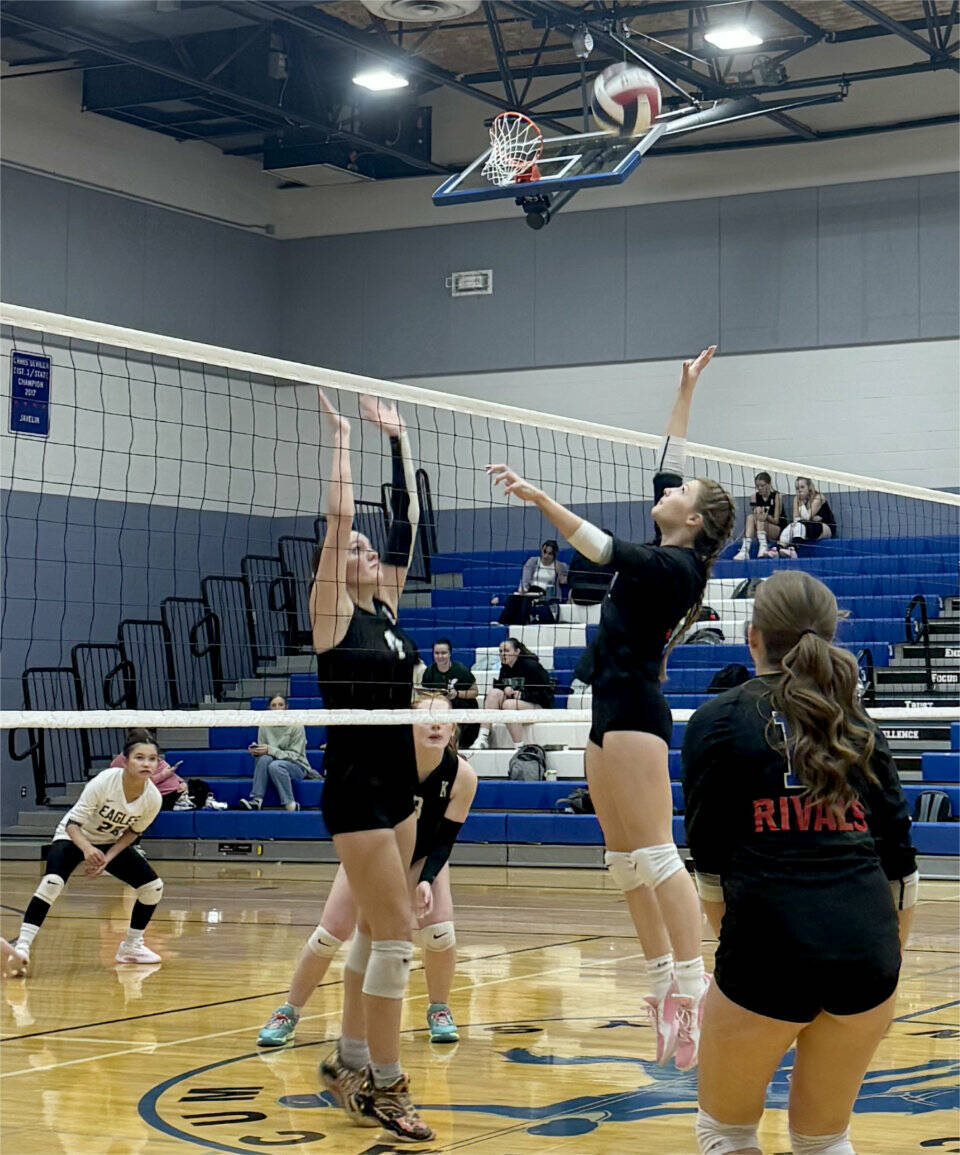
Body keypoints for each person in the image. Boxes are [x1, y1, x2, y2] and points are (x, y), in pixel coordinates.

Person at [487, 347, 735, 1071]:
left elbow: (595, 545)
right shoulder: (673, 538)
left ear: (693, 517)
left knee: (656, 852)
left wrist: (537, 498)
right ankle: (663, 988)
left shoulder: (676, 565)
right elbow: (669, 458)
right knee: (624, 861)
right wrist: (685, 388)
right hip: (608, 708)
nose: (666, 490)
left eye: (679, 491)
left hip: (635, 710)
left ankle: (694, 988)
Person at [682, 569, 917, 1155]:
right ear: (832, 633)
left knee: (726, 1133)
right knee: (823, 1139)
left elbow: (709, 868)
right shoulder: (858, 724)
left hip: (768, 946)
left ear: (752, 635)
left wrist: (742, 956)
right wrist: (884, 958)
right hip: (866, 949)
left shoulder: (716, 723)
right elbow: (901, 868)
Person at [309, 388, 433, 1142]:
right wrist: (346, 439)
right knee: (394, 939)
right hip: (355, 791)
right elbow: (342, 519)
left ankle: (350, 1055)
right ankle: (386, 1087)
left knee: (372, 934)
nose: (364, 552)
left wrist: (400, 439)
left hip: (401, 791)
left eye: (366, 551)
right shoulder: (331, 609)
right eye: (355, 550)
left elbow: (406, 522)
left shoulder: (385, 604)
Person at [257, 694, 477, 1051]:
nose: (435, 724)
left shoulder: (462, 776)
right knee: (329, 935)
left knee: (439, 933)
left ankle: (439, 1009)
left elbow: (445, 839)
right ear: (407, 726)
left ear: (453, 727)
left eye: (443, 719)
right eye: (426, 718)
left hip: (423, 857)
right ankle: (288, 1011)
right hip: (372, 854)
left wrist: (425, 879)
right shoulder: (383, 766)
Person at [7, 737, 165, 975]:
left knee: (153, 888)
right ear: (125, 761)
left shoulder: (153, 798)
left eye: (152, 759)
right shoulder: (104, 782)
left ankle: (131, 946)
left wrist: (107, 858)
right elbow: (72, 824)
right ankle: (22, 947)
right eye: (139, 757)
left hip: (108, 841)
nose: (146, 764)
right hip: (74, 836)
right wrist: (88, 850)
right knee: (52, 882)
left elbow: (133, 832)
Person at [240, 694, 319, 811]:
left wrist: (270, 750)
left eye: (280, 705)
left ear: (286, 707)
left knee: (275, 766)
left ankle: (290, 804)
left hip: (297, 765)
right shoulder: (264, 726)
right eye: (274, 705)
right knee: (264, 759)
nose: (277, 708)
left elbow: (295, 756)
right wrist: (257, 750)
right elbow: (265, 752)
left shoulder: (296, 725)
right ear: (269, 709)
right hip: (272, 762)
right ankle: (257, 800)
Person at [474, 637, 555, 751]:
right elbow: (499, 685)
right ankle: (483, 738)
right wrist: (504, 688)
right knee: (493, 693)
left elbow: (546, 695)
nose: (503, 654)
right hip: (519, 706)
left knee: (509, 705)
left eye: (506, 651)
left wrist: (523, 695)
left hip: (540, 707)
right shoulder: (505, 667)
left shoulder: (531, 666)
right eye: (501, 651)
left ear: (517, 652)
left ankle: (519, 747)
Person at [419, 638, 479, 749]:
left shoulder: (460, 670)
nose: (440, 656)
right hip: (440, 712)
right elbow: (424, 695)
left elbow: (475, 692)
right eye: (437, 653)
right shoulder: (429, 672)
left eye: (443, 653)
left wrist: (457, 694)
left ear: (450, 653)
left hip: (463, 712)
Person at [773, 476, 837, 559]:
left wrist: (801, 504)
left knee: (802, 524)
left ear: (809, 487)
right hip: (808, 526)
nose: (799, 490)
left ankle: (793, 549)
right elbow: (796, 520)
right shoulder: (796, 499)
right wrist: (812, 518)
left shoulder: (819, 497)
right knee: (792, 526)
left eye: (802, 487)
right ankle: (778, 549)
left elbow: (807, 517)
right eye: (797, 488)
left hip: (826, 527)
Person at [733, 472, 786, 561]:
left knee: (760, 518)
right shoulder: (754, 497)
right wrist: (759, 513)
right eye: (757, 486)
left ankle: (763, 546)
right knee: (751, 517)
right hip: (760, 527)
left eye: (762, 485)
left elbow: (776, 521)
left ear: (769, 484)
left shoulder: (776, 496)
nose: (760, 488)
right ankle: (745, 550)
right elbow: (754, 519)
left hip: (776, 529)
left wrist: (765, 516)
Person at [568, 528, 616, 605]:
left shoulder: (580, 553)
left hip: (578, 596)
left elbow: (569, 578)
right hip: (601, 597)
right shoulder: (611, 557)